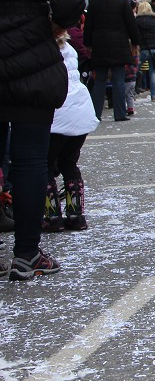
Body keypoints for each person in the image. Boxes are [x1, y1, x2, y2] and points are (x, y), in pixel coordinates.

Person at [0, 0, 85, 280]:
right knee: (32, 160)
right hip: (32, 58)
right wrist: (50, 25)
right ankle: (27, 254)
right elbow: (70, 1)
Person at [45, 29, 99, 231]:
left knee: (45, 164)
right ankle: (76, 214)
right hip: (80, 112)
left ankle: (51, 216)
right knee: (69, 163)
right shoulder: (70, 49)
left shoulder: (46, 52)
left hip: (58, 114)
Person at [84, 0, 140, 122]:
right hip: (119, 44)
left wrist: (87, 43)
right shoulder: (122, 1)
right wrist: (135, 42)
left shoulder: (94, 2)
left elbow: (89, 25)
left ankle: (96, 114)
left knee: (100, 80)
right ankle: (120, 113)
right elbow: (131, 24)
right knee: (118, 79)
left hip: (99, 45)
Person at [135, 0, 155, 100]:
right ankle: (154, 95)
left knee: (136, 70)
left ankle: (132, 92)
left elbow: (135, 36)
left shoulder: (136, 21)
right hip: (154, 49)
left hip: (141, 49)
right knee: (153, 73)